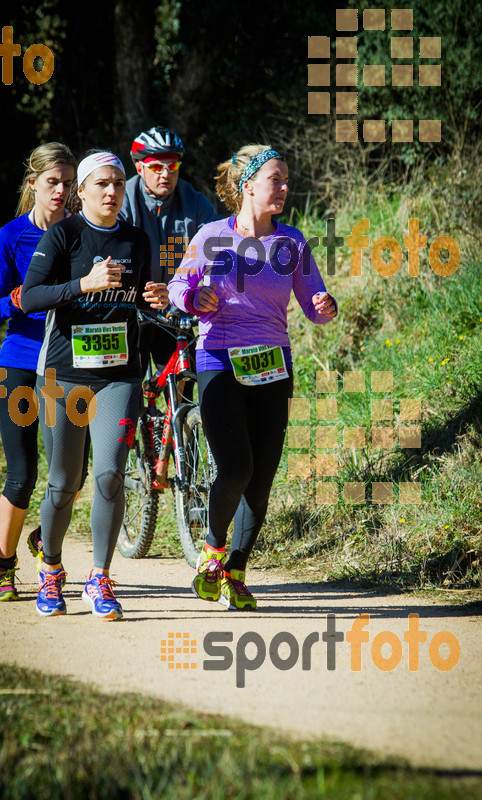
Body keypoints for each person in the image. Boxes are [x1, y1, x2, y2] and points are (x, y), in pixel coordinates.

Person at [168, 144, 338, 610]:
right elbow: (180, 286)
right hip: (219, 359)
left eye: (286, 180)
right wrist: (193, 299)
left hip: (273, 364)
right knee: (237, 467)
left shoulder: (292, 243)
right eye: (275, 180)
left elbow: (314, 304)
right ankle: (212, 551)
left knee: (260, 480)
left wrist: (325, 308)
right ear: (248, 187)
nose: (284, 188)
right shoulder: (210, 236)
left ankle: (237, 573)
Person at [21, 150, 168, 620]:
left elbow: (144, 298)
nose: (111, 192)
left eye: (118, 185)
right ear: (80, 190)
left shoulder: (137, 240)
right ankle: (51, 570)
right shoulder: (63, 235)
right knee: (64, 483)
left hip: (120, 376)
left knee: (108, 474)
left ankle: (100, 576)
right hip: (63, 377)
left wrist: (157, 298)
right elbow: (31, 297)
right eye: (101, 184)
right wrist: (82, 284)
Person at [0, 143, 77, 601]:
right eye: (52, 182)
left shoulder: (83, 233)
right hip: (18, 359)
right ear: (33, 184)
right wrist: (17, 300)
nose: (61, 191)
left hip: (69, 363)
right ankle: (4, 567)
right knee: (22, 474)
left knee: (75, 474)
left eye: (67, 182)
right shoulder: (10, 235)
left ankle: (44, 535)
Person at [119, 125, 219, 372]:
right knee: (130, 384)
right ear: (139, 167)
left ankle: (182, 411)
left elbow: (218, 247)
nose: (165, 174)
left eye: (172, 166)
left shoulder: (193, 200)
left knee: (185, 382)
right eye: (156, 167)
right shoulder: (122, 199)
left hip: (178, 311)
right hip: (134, 309)